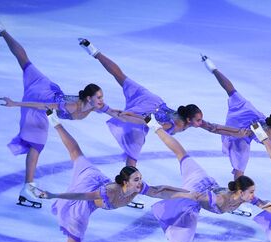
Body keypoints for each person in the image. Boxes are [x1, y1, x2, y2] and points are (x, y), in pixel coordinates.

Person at [33, 110, 191, 242]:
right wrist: (53, 195)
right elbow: (82, 196)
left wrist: (188, 193)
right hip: (87, 194)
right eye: (136, 179)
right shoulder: (109, 191)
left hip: (96, 178)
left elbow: (159, 190)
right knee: (76, 233)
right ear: (125, 182)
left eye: (139, 178)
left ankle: (54, 120)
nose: (140, 183)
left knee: (77, 154)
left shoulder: (137, 188)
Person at [0, 13, 128, 209]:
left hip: (47, 87)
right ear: (88, 99)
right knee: (36, 145)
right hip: (39, 100)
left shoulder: (93, 106)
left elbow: (114, 112)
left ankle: (0, 30)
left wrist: (136, 117)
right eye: (99, 98)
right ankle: (28, 187)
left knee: (25, 63)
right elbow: (40, 106)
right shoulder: (72, 106)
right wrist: (16, 104)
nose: (102, 101)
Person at [78, 41, 249, 172]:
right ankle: (103, 106)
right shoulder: (175, 124)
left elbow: (214, 128)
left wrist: (237, 132)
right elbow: (147, 123)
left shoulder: (191, 120)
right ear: (189, 119)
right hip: (147, 111)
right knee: (133, 150)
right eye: (198, 120)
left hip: (153, 101)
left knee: (122, 78)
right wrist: (124, 115)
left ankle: (94, 51)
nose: (201, 123)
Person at [201, 55, 271, 179]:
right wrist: (212, 127)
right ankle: (213, 69)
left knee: (241, 161)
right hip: (243, 124)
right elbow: (266, 146)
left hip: (255, 117)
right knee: (240, 163)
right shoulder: (260, 131)